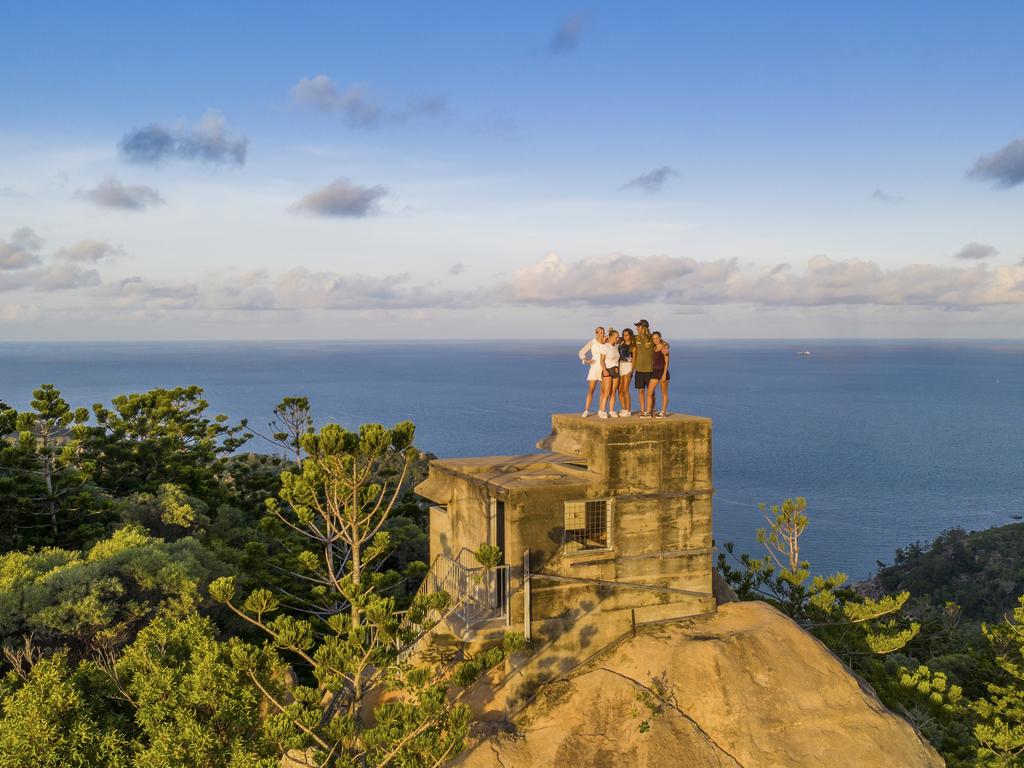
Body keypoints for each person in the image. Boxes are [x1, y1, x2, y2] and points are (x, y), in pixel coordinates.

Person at [578, 326, 605, 417]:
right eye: (600, 332)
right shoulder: (592, 342)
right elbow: (581, 352)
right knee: (591, 390)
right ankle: (586, 410)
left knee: (603, 391)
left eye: (603, 332)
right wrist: (586, 361)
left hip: (604, 367)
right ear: (596, 333)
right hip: (594, 367)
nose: (602, 334)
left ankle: (601, 410)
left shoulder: (606, 343)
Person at [633, 319, 656, 417]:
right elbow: (623, 339)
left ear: (644, 328)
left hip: (650, 369)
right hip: (639, 369)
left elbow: (665, 344)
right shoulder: (635, 338)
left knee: (651, 392)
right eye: (637, 326)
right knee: (641, 390)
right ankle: (643, 410)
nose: (637, 328)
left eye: (639, 326)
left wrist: (665, 348)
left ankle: (650, 410)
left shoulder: (652, 338)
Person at [598, 329, 621, 419]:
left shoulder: (616, 346)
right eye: (616, 337)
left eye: (618, 337)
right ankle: (603, 411)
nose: (617, 338)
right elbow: (601, 360)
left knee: (613, 392)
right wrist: (604, 370)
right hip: (608, 370)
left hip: (616, 370)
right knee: (606, 392)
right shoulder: (605, 347)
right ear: (611, 337)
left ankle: (611, 410)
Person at [647, 331, 671, 417]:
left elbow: (667, 363)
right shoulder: (653, 348)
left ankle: (663, 412)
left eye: (657, 338)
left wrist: (664, 375)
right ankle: (649, 411)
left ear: (660, 338)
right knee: (649, 392)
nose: (655, 340)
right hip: (654, 372)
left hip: (663, 372)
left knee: (664, 393)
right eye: (654, 338)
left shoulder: (664, 348)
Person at [617, 328, 635, 416]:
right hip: (621, 366)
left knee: (625, 389)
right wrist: (609, 331)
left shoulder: (633, 345)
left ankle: (628, 410)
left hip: (628, 366)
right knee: (619, 390)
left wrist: (632, 371)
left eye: (627, 335)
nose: (625, 336)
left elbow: (634, 359)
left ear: (630, 335)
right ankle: (624, 409)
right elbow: (610, 338)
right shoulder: (621, 342)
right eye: (624, 335)